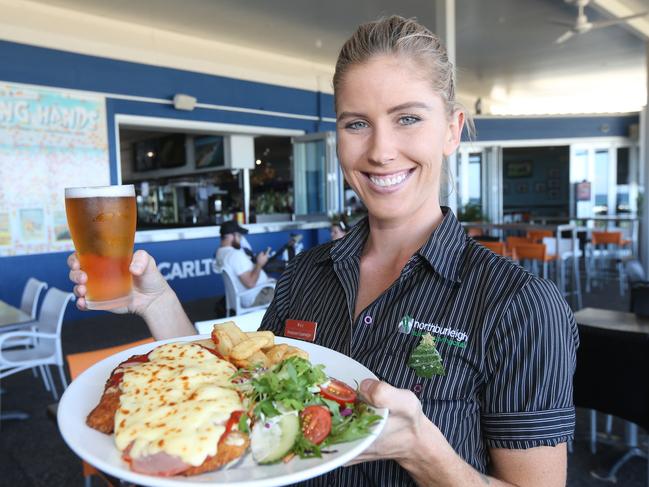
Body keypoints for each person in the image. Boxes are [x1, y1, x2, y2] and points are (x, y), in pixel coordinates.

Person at [68, 16, 578, 486]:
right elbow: (234, 389)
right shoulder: (305, 273)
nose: (379, 151)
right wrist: (154, 301)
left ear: (450, 128)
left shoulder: (521, 306)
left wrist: (424, 452)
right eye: (356, 123)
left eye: (407, 119)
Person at [214, 220, 275, 307]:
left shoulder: (219, 252)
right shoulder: (235, 255)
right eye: (239, 235)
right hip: (257, 297)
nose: (241, 239)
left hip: (247, 297)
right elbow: (250, 283)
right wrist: (259, 264)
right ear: (230, 236)